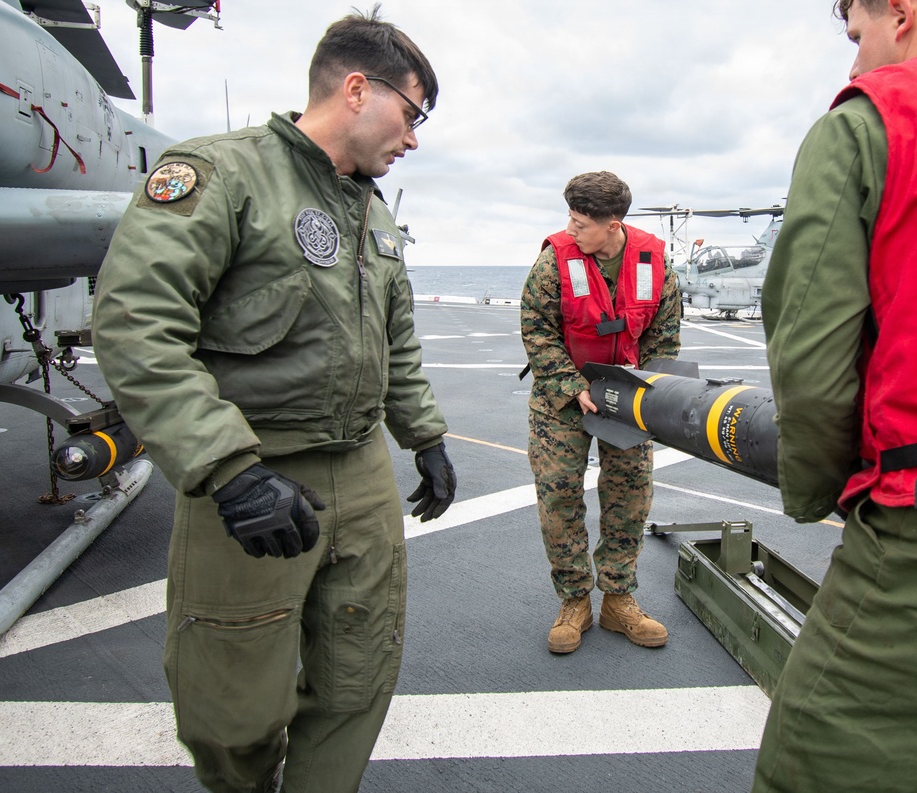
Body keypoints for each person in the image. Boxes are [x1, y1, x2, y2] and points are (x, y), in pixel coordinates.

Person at [91, 8, 456, 792]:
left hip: (360, 474)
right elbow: (135, 325)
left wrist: (424, 435)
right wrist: (227, 467)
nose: (415, 137)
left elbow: (394, 339)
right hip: (253, 479)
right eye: (413, 112)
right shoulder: (223, 174)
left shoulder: (374, 211)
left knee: (359, 675)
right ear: (357, 89)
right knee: (232, 707)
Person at [753, 1, 917, 790]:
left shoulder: (867, 122)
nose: (854, 64)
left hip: (909, 516)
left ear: (901, 12)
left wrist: (821, 492)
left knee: (810, 758)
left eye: (857, 35)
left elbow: (811, 357)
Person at [521, 171, 681, 655]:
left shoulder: (656, 263)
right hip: (562, 397)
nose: (570, 230)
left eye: (580, 223)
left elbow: (665, 333)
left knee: (629, 497)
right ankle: (574, 602)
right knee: (559, 497)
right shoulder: (553, 263)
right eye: (569, 219)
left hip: (625, 398)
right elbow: (536, 328)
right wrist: (573, 385)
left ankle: (617, 599)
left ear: (613, 225)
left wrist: (645, 388)